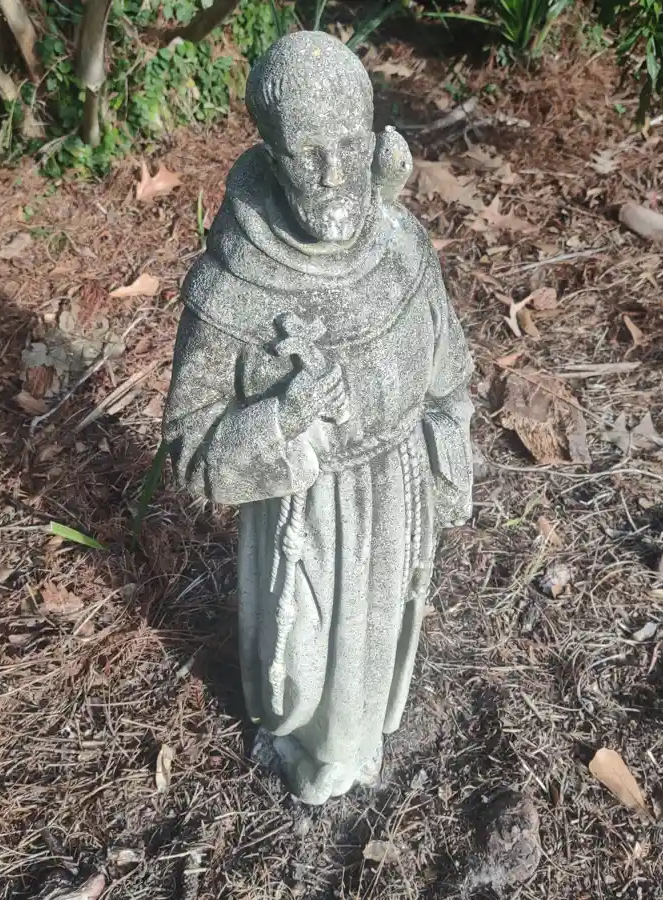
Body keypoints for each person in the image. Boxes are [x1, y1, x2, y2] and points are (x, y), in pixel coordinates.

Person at [163, 30, 474, 805]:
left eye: (349, 145)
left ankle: (356, 737)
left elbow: (448, 371)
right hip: (306, 516)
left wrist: (446, 451)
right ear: (271, 156)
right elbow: (192, 447)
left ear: (373, 137)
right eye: (307, 153)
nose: (335, 173)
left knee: (377, 635)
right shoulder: (234, 288)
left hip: (397, 486)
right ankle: (313, 743)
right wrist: (283, 416)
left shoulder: (403, 244)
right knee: (308, 658)